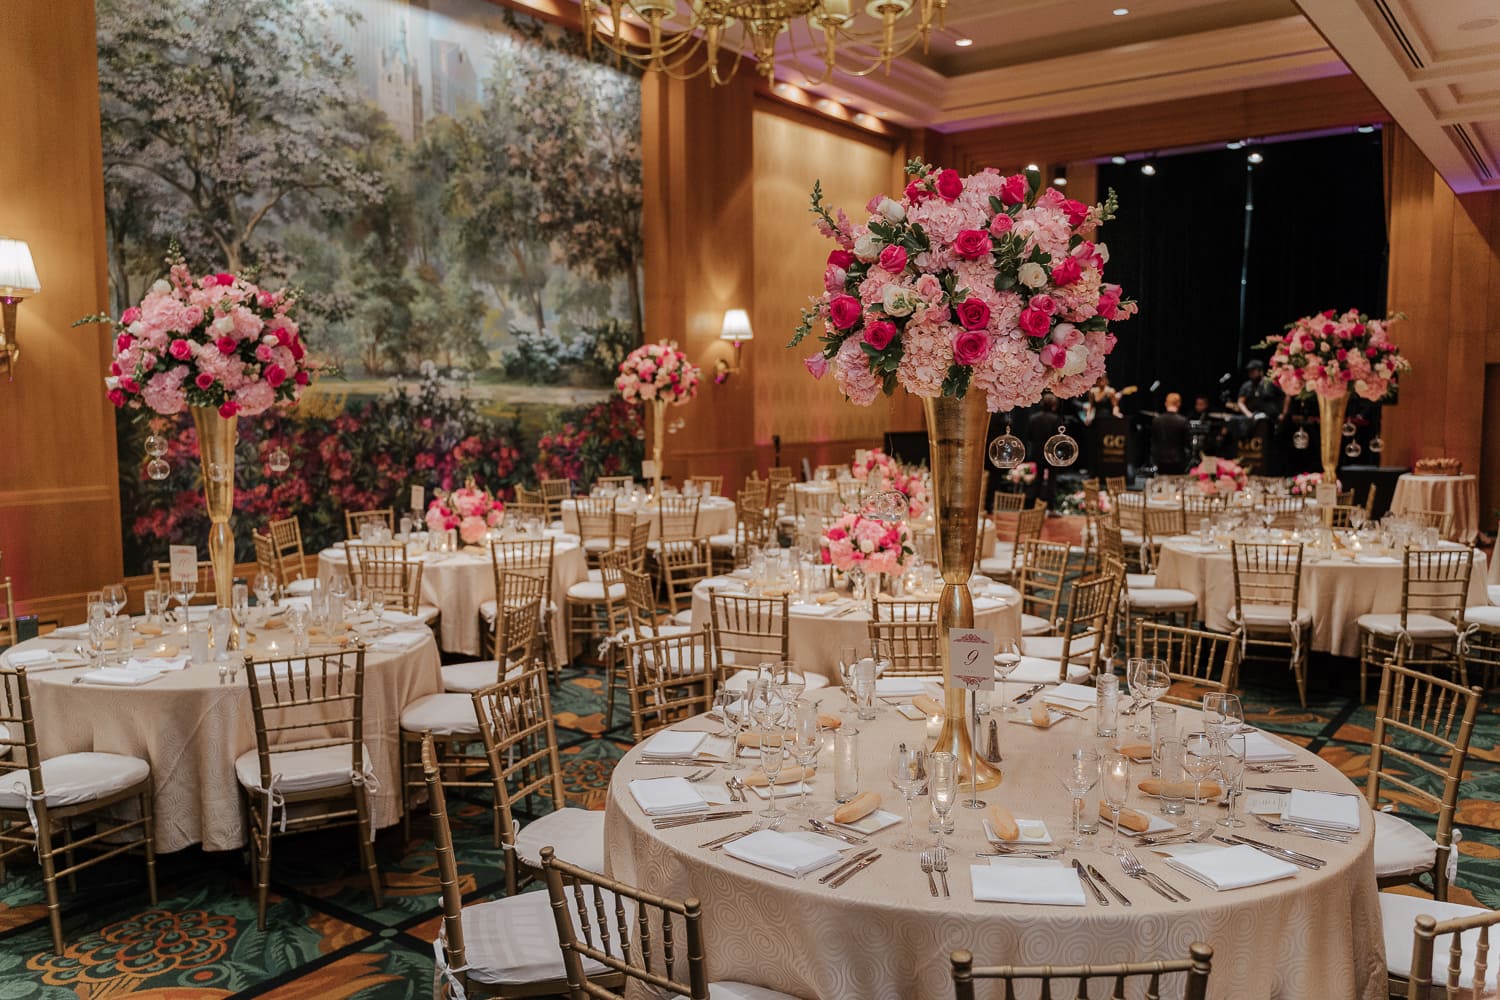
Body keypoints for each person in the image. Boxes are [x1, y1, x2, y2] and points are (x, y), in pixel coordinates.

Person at [1026, 393, 1066, 505]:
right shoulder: (1056, 419)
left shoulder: (1033, 418)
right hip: (1051, 454)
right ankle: (1050, 506)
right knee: (1052, 479)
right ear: (1054, 405)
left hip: (1037, 453)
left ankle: (1033, 503)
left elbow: (1029, 436)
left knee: (1038, 478)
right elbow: (1059, 439)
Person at [1150, 392, 1192, 474]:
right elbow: (1188, 443)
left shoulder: (1156, 420)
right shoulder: (1183, 421)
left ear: (1166, 403)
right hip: (1178, 461)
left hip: (1160, 460)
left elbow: (1153, 443)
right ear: (1179, 404)